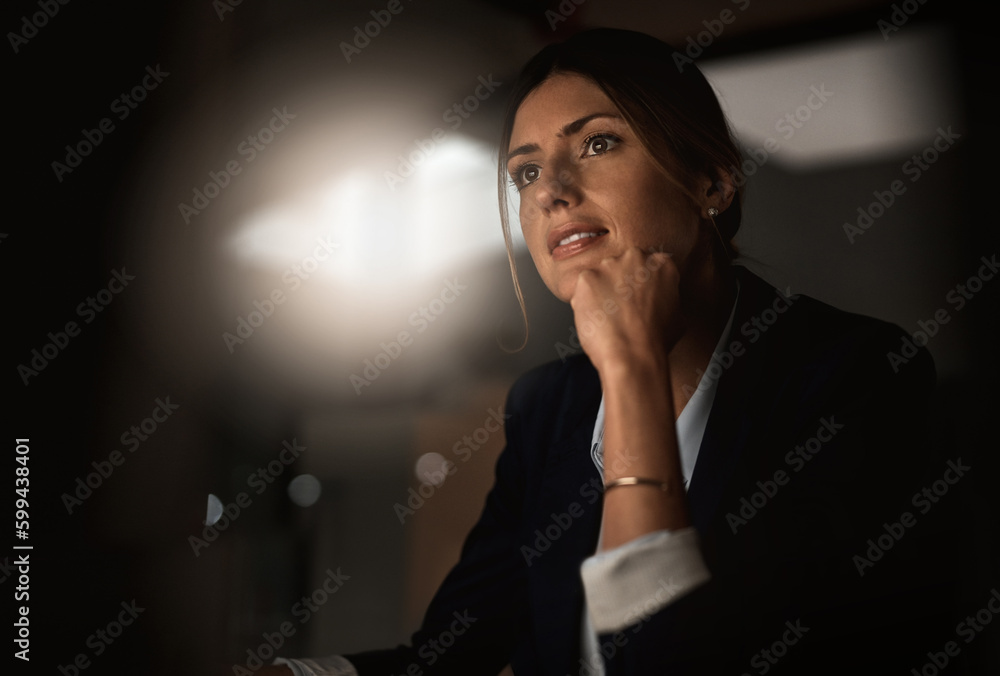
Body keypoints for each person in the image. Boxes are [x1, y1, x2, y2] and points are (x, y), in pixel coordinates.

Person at [261, 28, 962, 675]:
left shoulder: (857, 375)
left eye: (597, 144)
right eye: (526, 173)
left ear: (711, 181)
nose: (553, 194)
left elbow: (659, 657)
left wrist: (631, 371)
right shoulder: (547, 407)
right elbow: (449, 654)